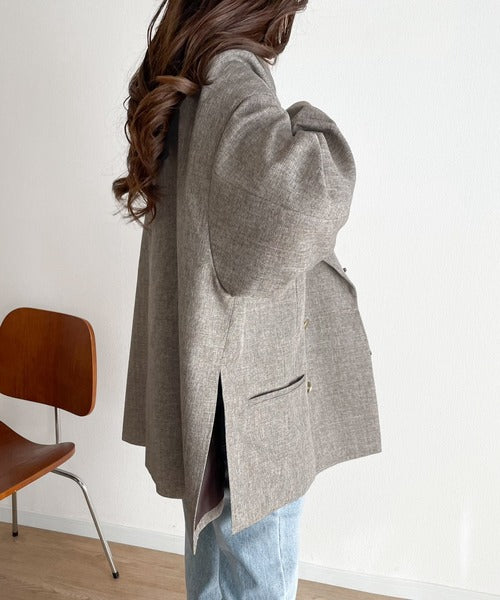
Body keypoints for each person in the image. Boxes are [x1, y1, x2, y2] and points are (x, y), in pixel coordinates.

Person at [113, 1, 382, 599]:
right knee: (260, 578)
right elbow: (298, 203)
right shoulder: (233, 76)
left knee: (214, 567)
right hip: (248, 398)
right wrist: (307, 120)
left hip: (214, 388)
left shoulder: (192, 74)